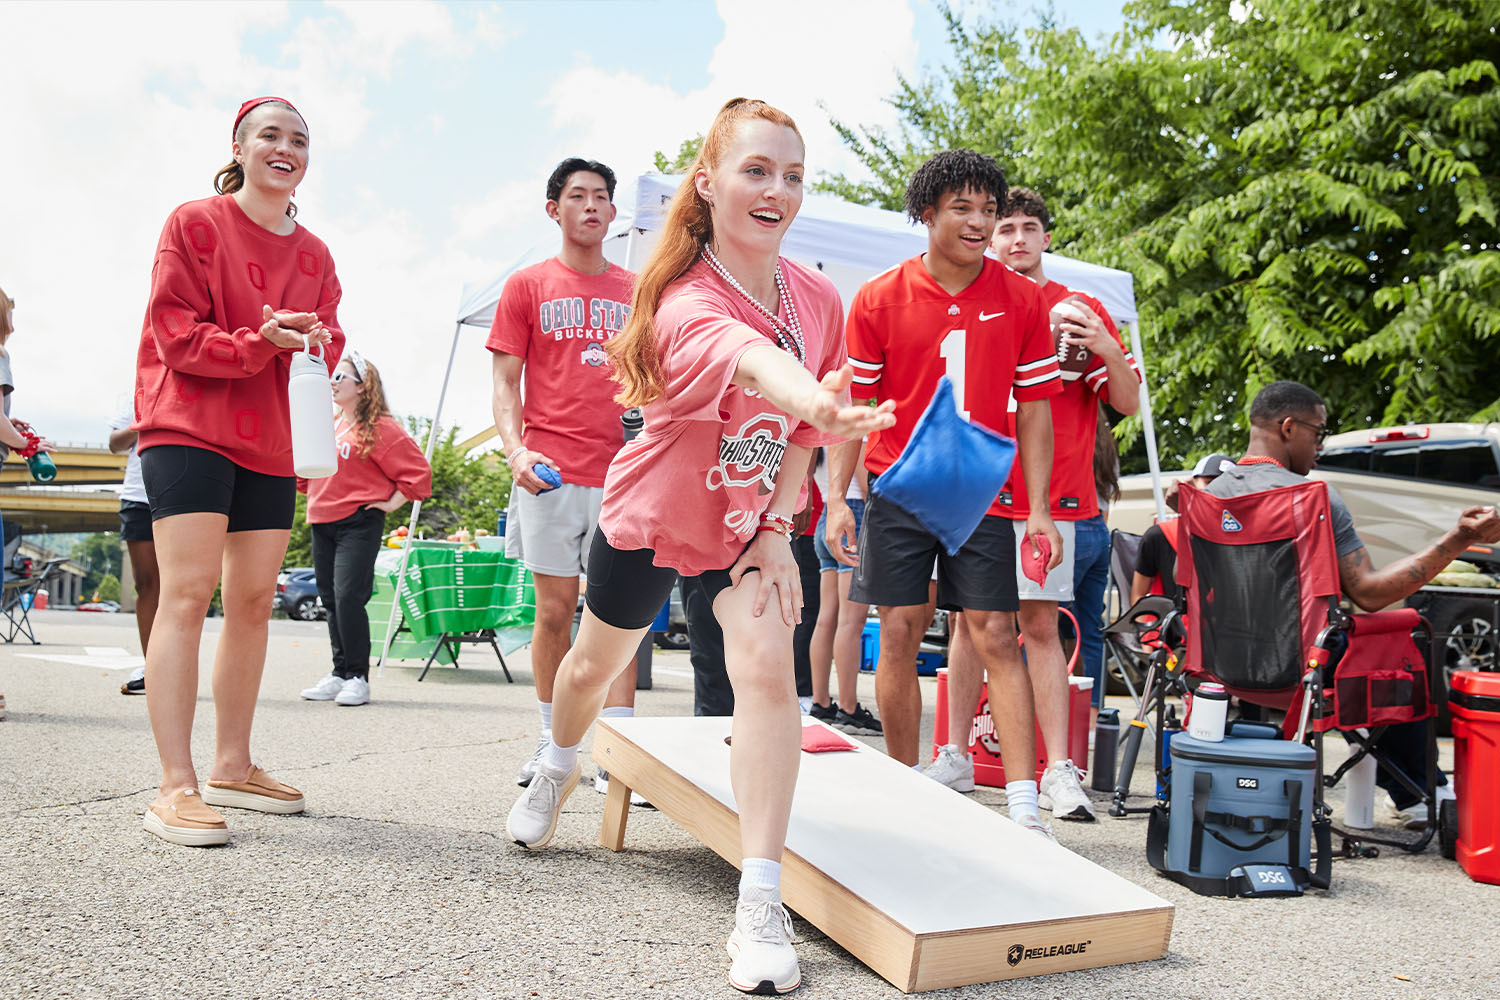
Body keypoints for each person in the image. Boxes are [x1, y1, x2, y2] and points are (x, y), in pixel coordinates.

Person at [503, 98, 894, 995]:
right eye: (757, 171)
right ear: (709, 183)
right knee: (589, 674)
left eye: (793, 176)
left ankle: (760, 898)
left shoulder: (820, 298)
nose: (778, 191)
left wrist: (775, 527)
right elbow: (758, 364)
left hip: (743, 527)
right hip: (652, 515)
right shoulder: (683, 300)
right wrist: (818, 402)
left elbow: (797, 437)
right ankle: (558, 761)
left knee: (768, 675)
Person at [827, 150, 1063, 837]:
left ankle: (1024, 806)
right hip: (898, 489)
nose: (980, 222)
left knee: (997, 632)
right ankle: (901, 787)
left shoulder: (1023, 299)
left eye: (989, 210)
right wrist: (838, 497)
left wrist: (1041, 508)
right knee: (897, 630)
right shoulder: (877, 297)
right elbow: (855, 405)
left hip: (982, 494)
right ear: (926, 213)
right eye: (963, 208)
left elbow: (1038, 408)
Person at [133, 96, 343, 847]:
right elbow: (174, 333)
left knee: (253, 602)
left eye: (299, 140)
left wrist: (314, 337)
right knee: (187, 594)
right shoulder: (194, 222)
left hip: (272, 437)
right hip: (188, 424)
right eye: (271, 136)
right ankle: (174, 784)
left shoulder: (315, 253)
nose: (285, 149)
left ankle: (232, 763)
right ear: (241, 146)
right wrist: (260, 341)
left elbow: (331, 336)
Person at [1208, 381, 1500, 825]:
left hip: (1219, 662)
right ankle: (1418, 791)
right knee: (1403, 641)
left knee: (1350, 648)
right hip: (1300, 667)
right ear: (1289, 428)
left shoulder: (1207, 496)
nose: (1320, 445)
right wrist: (1457, 539)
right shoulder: (1314, 498)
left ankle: (1413, 789)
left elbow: (1182, 581)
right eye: (1318, 432)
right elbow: (1369, 593)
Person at [971, 187, 1142, 823]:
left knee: (1041, 627)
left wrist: (1104, 343)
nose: (1016, 239)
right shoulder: (976, 302)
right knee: (969, 628)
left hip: (1053, 496)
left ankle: (1058, 770)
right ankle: (956, 756)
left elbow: (1125, 402)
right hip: (980, 490)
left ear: (1046, 237)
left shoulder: (1076, 309)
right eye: (1005, 228)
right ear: (990, 237)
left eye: (1028, 228)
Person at [488, 157, 644, 794]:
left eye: (601, 197)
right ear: (553, 209)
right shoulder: (527, 286)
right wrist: (515, 451)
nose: (590, 206)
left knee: (622, 616)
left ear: (612, 213)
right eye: (577, 196)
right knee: (553, 613)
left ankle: (618, 751)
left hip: (624, 474)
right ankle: (556, 740)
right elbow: (504, 382)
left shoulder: (638, 290)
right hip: (549, 470)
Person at [298, 351, 431, 706]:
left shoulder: (380, 427)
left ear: (362, 386)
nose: (332, 383)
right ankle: (339, 671)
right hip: (321, 518)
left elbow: (419, 473)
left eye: (340, 377)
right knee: (329, 599)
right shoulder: (329, 422)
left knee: (348, 597)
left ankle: (358, 676)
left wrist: (392, 502)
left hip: (358, 521)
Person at [808, 446, 881, 735]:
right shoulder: (854, 428)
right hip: (855, 516)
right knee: (851, 621)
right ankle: (849, 708)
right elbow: (866, 487)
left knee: (826, 618)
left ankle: (820, 702)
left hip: (827, 515)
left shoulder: (821, 426)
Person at [1129, 453, 1235, 606]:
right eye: (1210, 483)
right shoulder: (1159, 535)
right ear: (1190, 485)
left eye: (1227, 485)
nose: (1217, 492)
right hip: (1175, 627)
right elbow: (1138, 596)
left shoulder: (1245, 539)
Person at [109, 397, 159, 695]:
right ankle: (152, 667)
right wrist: (141, 422)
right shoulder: (135, 391)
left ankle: (176, 667)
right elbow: (115, 442)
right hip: (138, 496)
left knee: (182, 587)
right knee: (148, 585)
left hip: (183, 493)